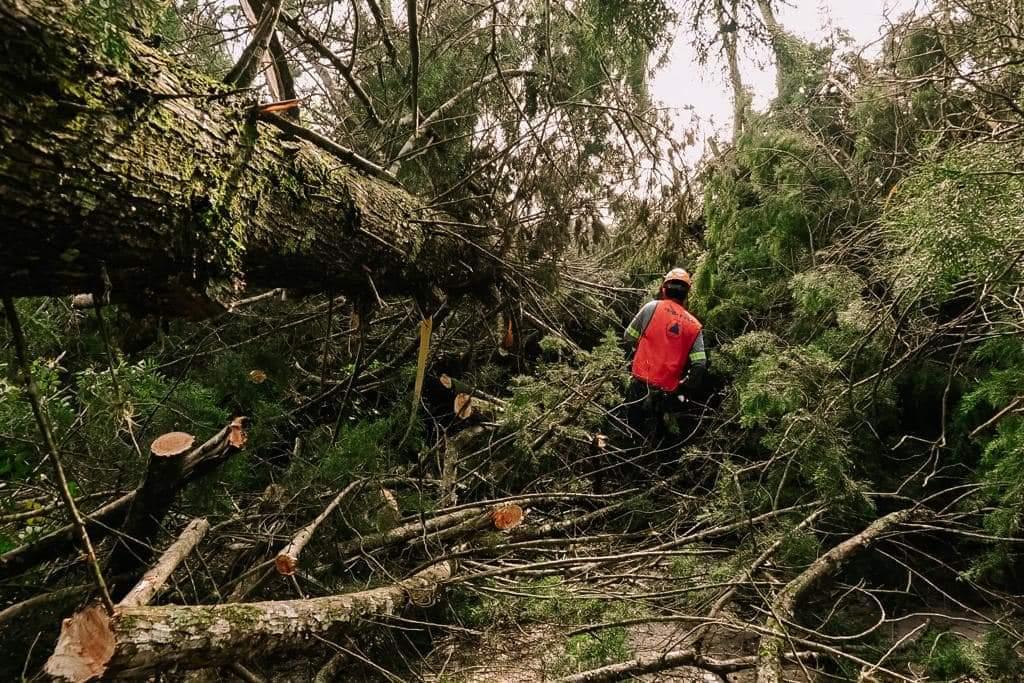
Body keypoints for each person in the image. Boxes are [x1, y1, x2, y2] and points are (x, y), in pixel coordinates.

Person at [623, 268, 707, 443]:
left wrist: (640, 350)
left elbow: (628, 336)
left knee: (632, 432)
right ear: (687, 294)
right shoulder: (694, 326)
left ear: (664, 288)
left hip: (640, 382)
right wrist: (685, 385)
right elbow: (700, 364)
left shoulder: (651, 308)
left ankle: (630, 455)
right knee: (661, 438)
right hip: (668, 391)